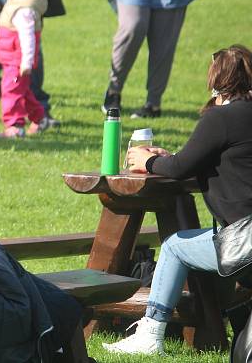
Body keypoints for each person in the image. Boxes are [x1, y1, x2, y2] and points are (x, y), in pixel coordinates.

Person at [103, 44, 252, 355]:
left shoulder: (221, 118)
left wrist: (148, 161)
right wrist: (167, 158)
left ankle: (151, 333)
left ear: (216, 81)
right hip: (244, 235)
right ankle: (216, 325)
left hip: (244, 239)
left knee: (174, 246)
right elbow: (212, 161)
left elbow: (182, 167)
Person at [0, 0, 49, 138]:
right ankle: (40, 119)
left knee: (11, 92)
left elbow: (28, 38)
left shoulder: (23, 10)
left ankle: (15, 126)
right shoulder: (17, 2)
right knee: (24, 93)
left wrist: (26, 62)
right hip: (13, 59)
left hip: (17, 61)